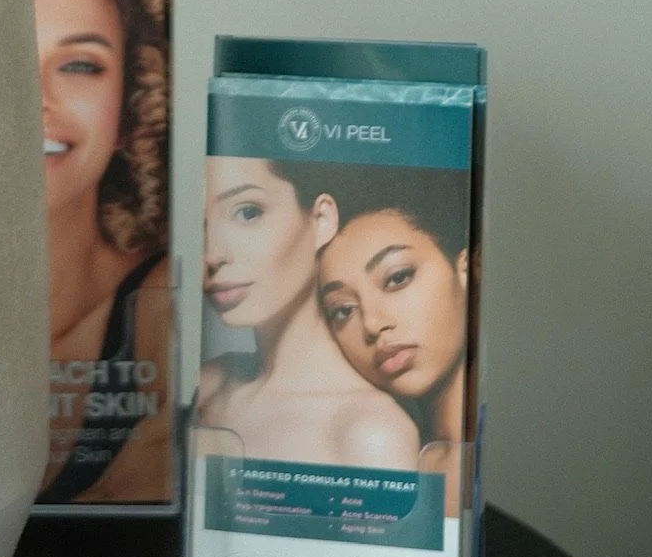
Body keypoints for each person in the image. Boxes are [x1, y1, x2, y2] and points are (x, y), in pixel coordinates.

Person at [19, 0, 172, 505]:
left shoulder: (155, 316)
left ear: (130, 106)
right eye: (2, 60)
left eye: (80, 65)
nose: (37, 99)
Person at [198, 158, 419, 471]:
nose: (212, 255)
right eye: (200, 224)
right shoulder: (209, 386)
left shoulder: (371, 434)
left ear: (321, 219)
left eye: (248, 212)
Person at [315, 167, 472, 514]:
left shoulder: (485, 468)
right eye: (342, 310)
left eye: (397, 278)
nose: (371, 324)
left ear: (466, 271)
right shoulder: (382, 460)